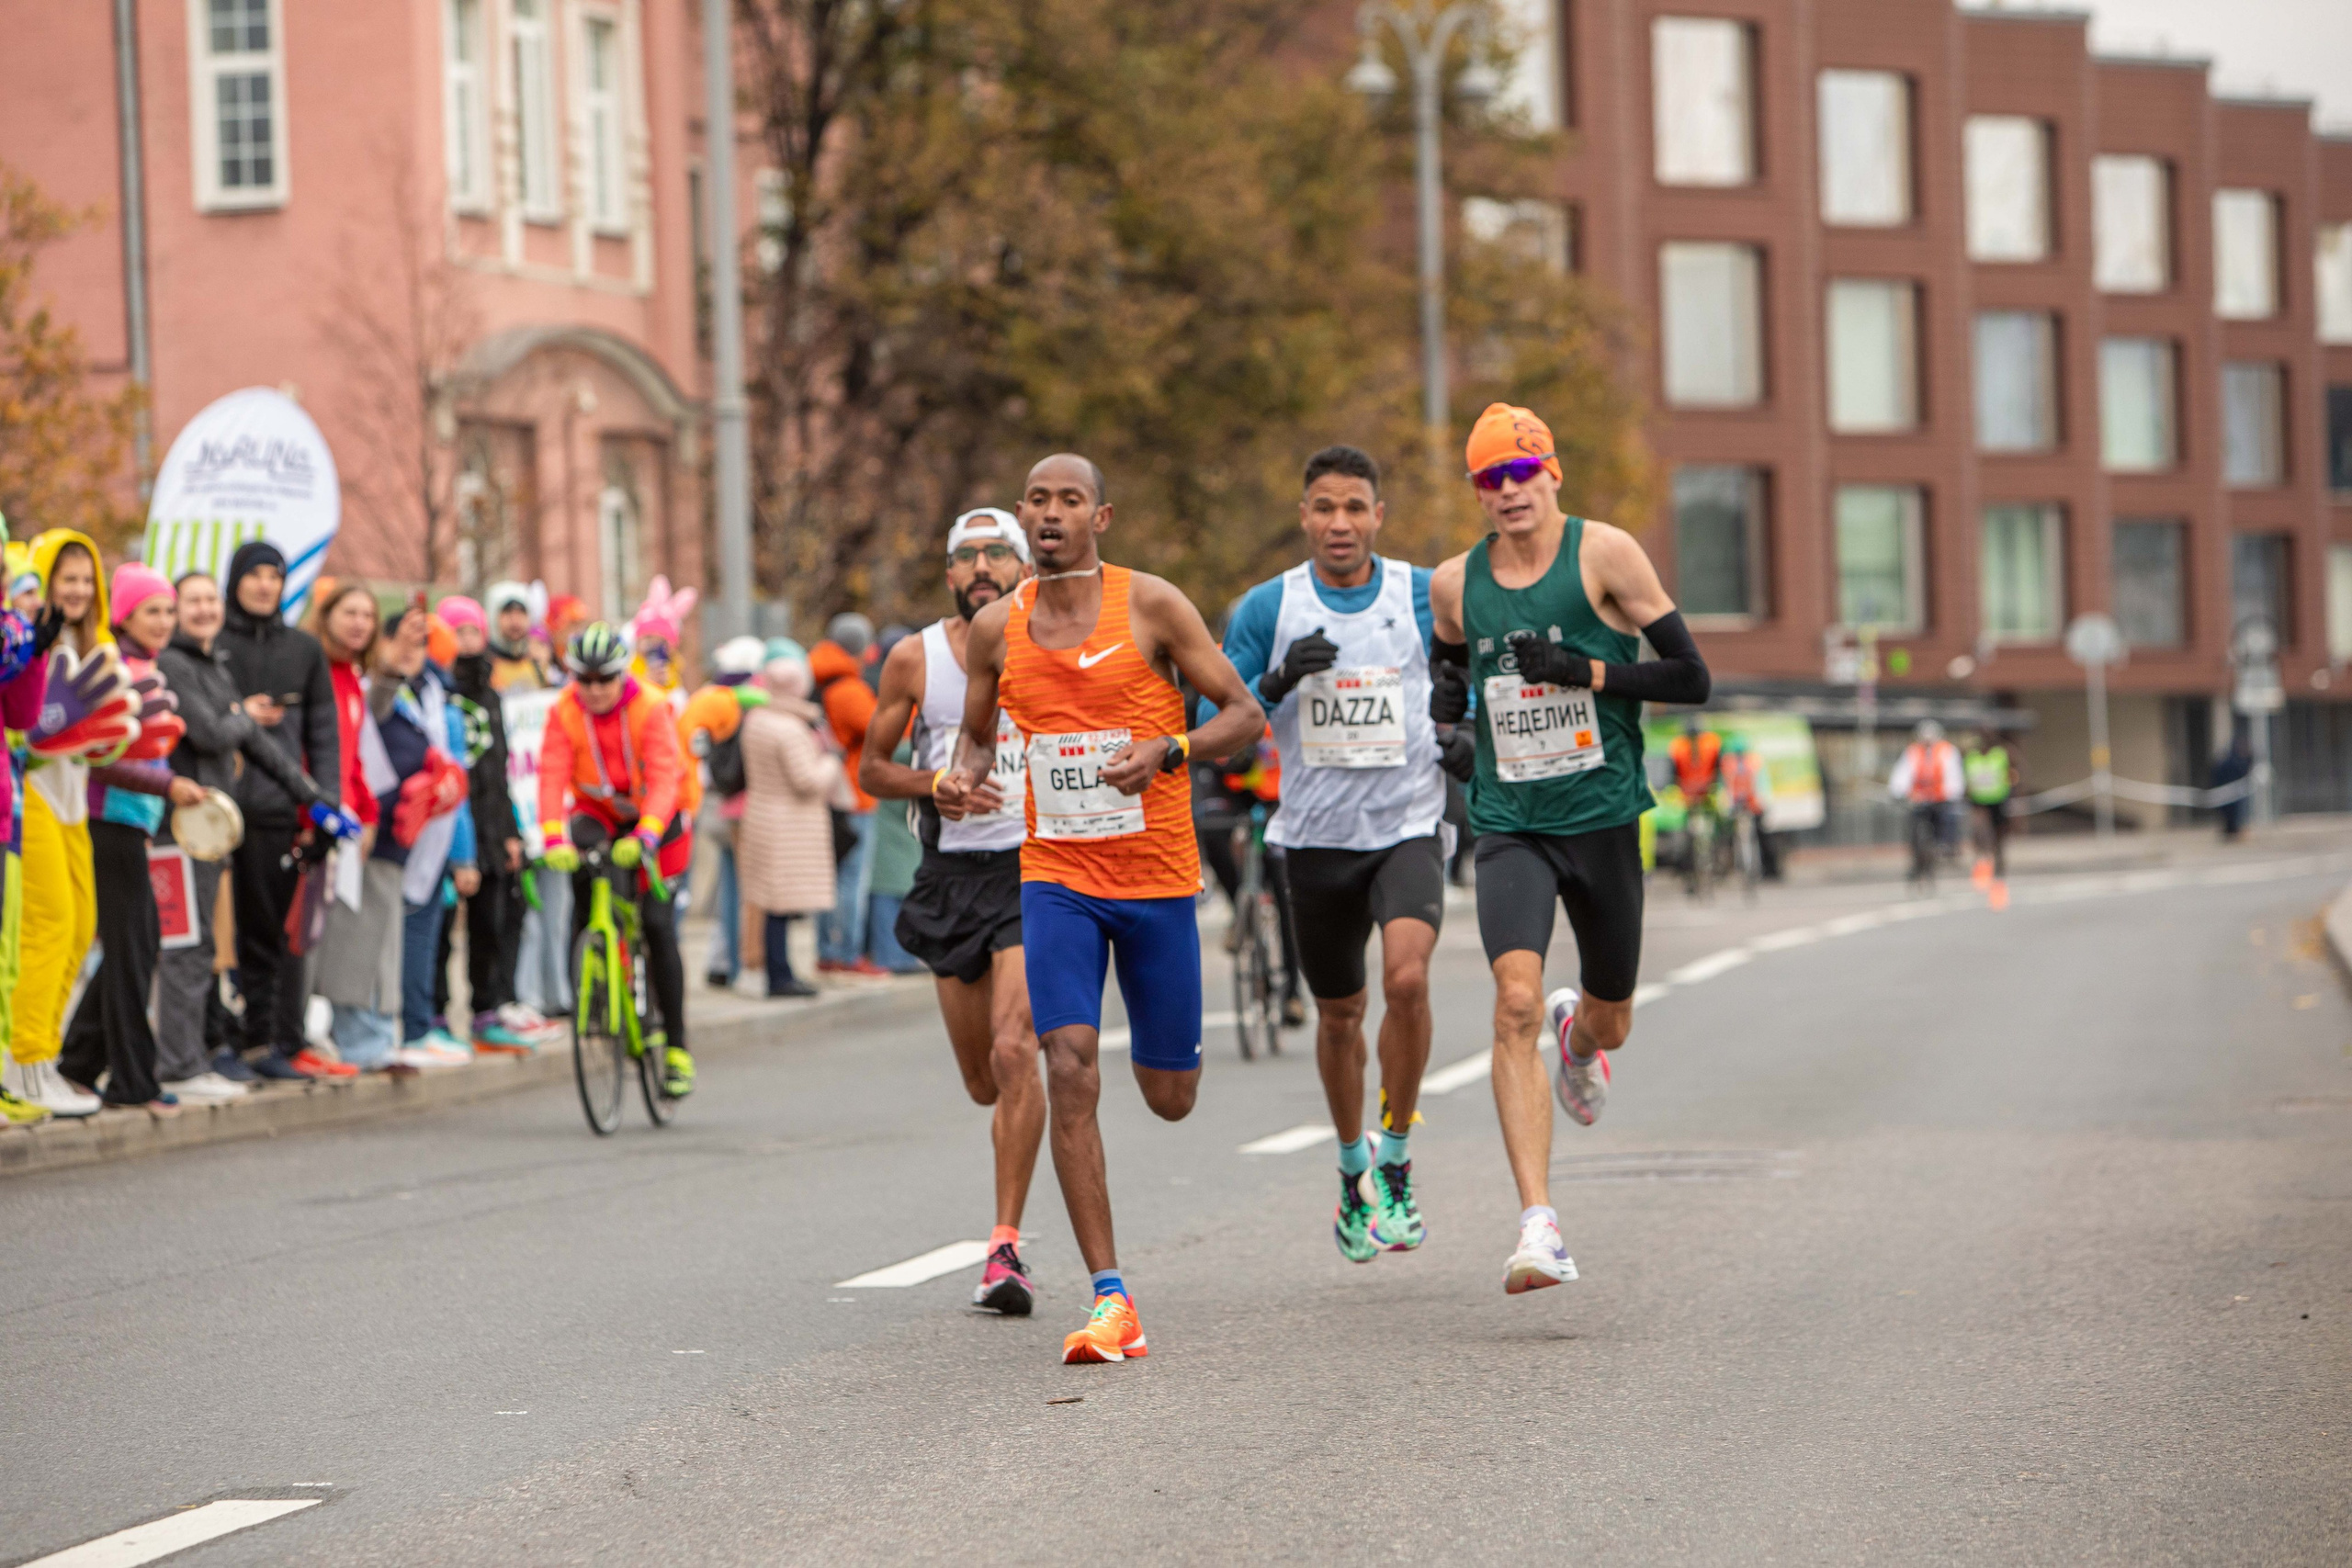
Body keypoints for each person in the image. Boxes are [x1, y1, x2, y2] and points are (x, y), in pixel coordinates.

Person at [939, 453, 1264, 1363]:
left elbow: (1244, 715)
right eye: (1037, 501)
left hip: (1156, 881)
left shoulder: (1153, 606)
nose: (1051, 514)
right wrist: (960, 783)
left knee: (1170, 1098)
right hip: (1055, 879)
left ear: (1101, 516)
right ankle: (1110, 1297)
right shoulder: (996, 630)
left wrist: (1169, 749)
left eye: (1069, 500)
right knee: (1069, 1066)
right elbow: (973, 735)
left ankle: (1159, 1089)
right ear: (1021, 515)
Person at [1428, 402, 1710, 1293]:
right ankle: (1537, 1224)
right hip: (1510, 822)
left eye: (1523, 473)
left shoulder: (1605, 555)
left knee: (1611, 1011)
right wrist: (1455, 734)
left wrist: (1585, 672)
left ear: (1552, 474)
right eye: (1490, 479)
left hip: (1601, 817)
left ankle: (1580, 1040)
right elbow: (1444, 679)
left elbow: (1690, 678)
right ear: (1477, 493)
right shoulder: (1452, 584)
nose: (1509, 492)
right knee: (1510, 1000)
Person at [1218, 445, 1454, 1262]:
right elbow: (1223, 716)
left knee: (1408, 977)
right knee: (1340, 1013)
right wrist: (1278, 680)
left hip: (1408, 823)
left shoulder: (1422, 595)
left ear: (1379, 515)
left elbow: (1464, 678)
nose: (1340, 523)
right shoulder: (1266, 607)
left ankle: (1395, 1155)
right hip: (1315, 838)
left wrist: (1461, 739)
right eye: (1325, 507)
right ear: (1304, 515)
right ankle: (1351, 1163)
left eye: (1355, 506)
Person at [862, 506, 1047, 1313]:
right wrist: (932, 784)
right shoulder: (915, 658)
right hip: (951, 873)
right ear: (947, 574)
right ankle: (1005, 1222)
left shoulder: (1052, 644)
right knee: (981, 1080)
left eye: (996, 554)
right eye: (966, 557)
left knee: (1017, 1050)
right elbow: (871, 768)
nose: (982, 568)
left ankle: (1004, 1245)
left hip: (1035, 870)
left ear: (1023, 567)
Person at [155, 570, 342, 1097]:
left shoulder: (210, 665)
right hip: (180, 828)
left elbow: (262, 747)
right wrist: (243, 714)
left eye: (208, 600)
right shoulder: (174, 663)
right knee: (185, 949)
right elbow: (213, 732)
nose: (203, 610)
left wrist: (315, 799)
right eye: (190, 602)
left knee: (204, 948)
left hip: (211, 830)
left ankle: (192, 1057)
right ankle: (180, 1065)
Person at [57, 565, 209, 1115]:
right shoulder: (113, 666)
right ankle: (131, 1083)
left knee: (137, 946)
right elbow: (101, 758)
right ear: (123, 613)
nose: (165, 621)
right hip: (107, 820)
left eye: (169, 611)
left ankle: (77, 1063)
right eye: (153, 611)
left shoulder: (145, 665)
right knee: (131, 951)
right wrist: (171, 785)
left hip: (136, 824)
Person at [538, 624, 694, 1097]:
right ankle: (595, 990)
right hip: (597, 811)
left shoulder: (650, 705)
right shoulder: (564, 710)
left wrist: (647, 834)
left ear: (621, 674)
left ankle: (676, 1046)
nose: (595, 690)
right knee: (584, 886)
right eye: (583, 680)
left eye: (604, 679)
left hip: (656, 815)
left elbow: (667, 775)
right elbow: (550, 774)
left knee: (658, 925)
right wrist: (551, 839)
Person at [215, 540, 341, 1080]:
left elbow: (324, 736)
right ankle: (216, 1043)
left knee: (269, 935)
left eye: (275, 575)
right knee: (216, 939)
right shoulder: (210, 644)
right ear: (235, 581)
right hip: (214, 812)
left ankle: (261, 1044)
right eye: (255, 574)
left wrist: (326, 806)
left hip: (277, 813)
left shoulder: (304, 650)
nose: (265, 585)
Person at [6, 529, 114, 1117]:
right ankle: (24, 1065)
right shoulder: (29, 638)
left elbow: (91, 738)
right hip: (31, 794)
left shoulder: (93, 643)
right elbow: (26, 727)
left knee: (80, 928)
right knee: (49, 926)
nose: (75, 590)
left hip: (74, 796)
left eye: (83, 579)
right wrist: (58, 727)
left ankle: (43, 1059)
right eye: (64, 578)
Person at [436, 595, 549, 1053]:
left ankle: (488, 1008)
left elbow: (500, 768)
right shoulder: (437, 691)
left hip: (490, 820)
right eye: (458, 632)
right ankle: (437, 1012)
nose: (467, 642)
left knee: (494, 919)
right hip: (450, 824)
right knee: (444, 925)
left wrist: (510, 832)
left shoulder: (492, 694)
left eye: (473, 632)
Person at [370, 601, 479, 1058]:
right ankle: (393, 1028)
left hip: (436, 833)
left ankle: (419, 1022)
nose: (412, 653)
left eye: (422, 644)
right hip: (387, 832)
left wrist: (464, 855)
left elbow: (457, 777)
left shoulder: (439, 695)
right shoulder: (379, 690)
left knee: (425, 931)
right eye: (404, 644)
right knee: (385, 935)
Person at [738, 649, 840, 998]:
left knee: (769, 901)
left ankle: (775, 970)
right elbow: (807, 779)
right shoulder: (790, 729)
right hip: (790, 824)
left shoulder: (757, 720)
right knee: (781, 905)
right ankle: (781, 975)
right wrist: (831, 764)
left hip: (762, 815)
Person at [0, 547, 56, 1125]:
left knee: (5, 955)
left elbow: (21, 716)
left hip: (4, 814)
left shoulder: (10, 635)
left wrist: (33, 656)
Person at [684, 635, 767, 987]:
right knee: (744, 893)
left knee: (727, 890)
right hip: (740, 804)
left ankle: (722, 961)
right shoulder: (750, 700)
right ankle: (736, 962)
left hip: (711, 801)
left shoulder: (705, 696)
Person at [811, 612, 886, 976]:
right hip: (853, 795)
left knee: (829, 874)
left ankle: (827, 950)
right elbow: (883, 730)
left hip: (827, 793)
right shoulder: (849, 690)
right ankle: (845, 952)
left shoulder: (818, 679)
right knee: (851, 879)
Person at [1888, 721, 1962, 883]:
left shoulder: (1948, 751)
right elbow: (1902, 774)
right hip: (1919, 800)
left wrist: (1951, 794)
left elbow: (1954, 776)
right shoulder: (1913, 752)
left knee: (1947, 819)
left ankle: (1946, 847)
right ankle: (1915, 862)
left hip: (1940, 800)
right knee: (1914, 829)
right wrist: (1898, 791)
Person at [1963, 730, 2015, 899]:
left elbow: (2013, 772)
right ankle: (1983, 864)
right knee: (1980, 831)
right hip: (1978, 802)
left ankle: (1999, 866)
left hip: (1998, 800)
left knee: (1998, 836)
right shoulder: (1971, 757)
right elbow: (1966, 779)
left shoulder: (2001, 754)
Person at [483, 581, 551, 692]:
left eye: (521, 613)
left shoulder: (538, 663)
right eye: (508, 613)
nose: (515, 621)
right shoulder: (484, 665)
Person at [2211, 730, 2254, 839]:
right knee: (2231, 813)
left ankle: (2234, 830)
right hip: (2227, 792)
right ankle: (2231, 830)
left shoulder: (2238, 760)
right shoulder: (2231, 762)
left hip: (2235, 792)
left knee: (2236, 812)